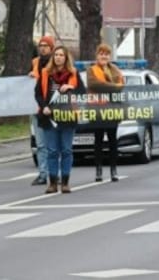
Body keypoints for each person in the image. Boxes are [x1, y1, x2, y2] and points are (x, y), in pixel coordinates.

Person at [35, 46, 84, 194]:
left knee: (66, 150)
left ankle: (65, 182)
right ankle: (52, 183)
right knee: (52, 151)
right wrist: (43, 107)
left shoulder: (73, 74)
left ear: (66, 58)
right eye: (56, 55)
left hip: (67, 116)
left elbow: (83, 92)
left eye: (61, 55)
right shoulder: (45, 73)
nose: (58, 57)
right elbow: (37, 94)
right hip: (49, 117)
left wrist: (70, 86)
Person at [87, 43, 125, 182]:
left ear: (110, 56)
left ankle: (113, 170)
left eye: (106, 54)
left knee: (112, 140)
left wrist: (111, 87)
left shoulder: (115, 70)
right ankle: (98, 170)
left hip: (112, 110)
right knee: (98, 141)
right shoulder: (92, 70)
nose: (103, 56)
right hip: (97, 110)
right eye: (101, 53)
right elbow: (94, 85)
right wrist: (113, 86)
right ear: (97, 55)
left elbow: (121, 86)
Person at [29, 35, 54, 186]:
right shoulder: (35, 62)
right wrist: (30, 76)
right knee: (41, 145)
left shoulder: (57, 61)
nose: (42, 48)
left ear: (51, 48)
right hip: (37, 108)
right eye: (41, 45)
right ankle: (43, 174)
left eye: (46, 45)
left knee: (54, 144)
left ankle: (55, 173)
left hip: (53, 109)